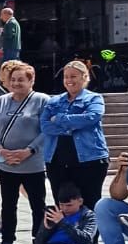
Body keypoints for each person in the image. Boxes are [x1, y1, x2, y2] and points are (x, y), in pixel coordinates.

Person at [0, 63, 48, 244]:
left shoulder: (42, 101)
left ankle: (39, 240)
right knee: (8, 204)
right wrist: (0, 149)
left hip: (33, 163)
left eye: (21, 80)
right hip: (6, 163)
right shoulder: (1, 102)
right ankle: (6, 241)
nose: (16, 83)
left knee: (37, 205)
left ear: (31, 80)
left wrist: (29, 150)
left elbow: (48, 131)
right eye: (13, 80)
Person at [39, 60, 109, 205]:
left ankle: (90, 228)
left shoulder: (94, 98)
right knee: (63, 203)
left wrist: (59, 118)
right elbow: (45, 125)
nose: (69, 80)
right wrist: (72, 126)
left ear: (84, 77)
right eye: (66, 77)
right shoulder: (54, 101)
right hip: (57, 161)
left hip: (90, 160)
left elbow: (92, 117)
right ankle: (67, 228)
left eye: (73, 76)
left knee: (90, 201)